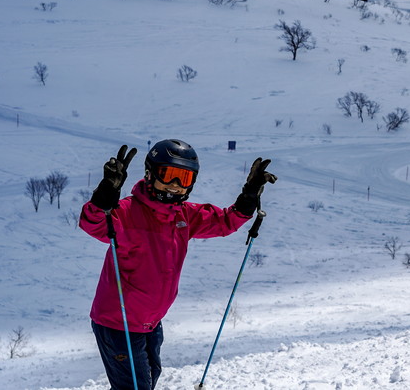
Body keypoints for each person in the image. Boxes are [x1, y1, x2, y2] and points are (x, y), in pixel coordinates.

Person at [80, 139, 276, 390]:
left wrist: (248, 196)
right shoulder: (126, 212)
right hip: (119, 323)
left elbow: (226, 221)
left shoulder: (185, 215)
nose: (174, 185)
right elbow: (93, 223)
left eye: (183, 178)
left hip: (151, 322)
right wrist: (104, 194)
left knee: (147, 380)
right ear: (150, 174)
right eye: (169, 175)